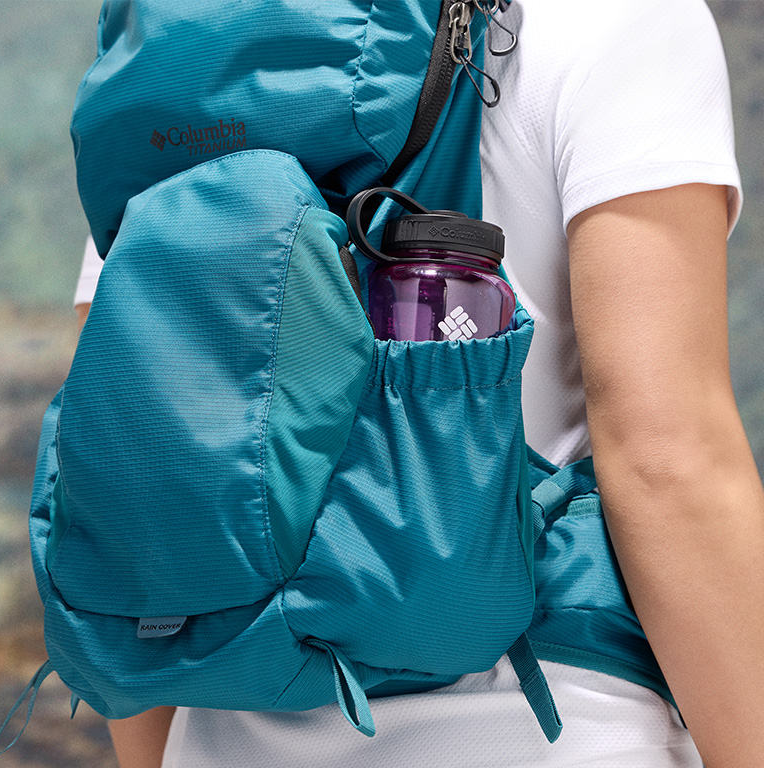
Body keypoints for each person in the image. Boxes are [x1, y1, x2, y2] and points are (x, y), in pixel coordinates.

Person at [72, 0, 764, 765]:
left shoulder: (170, 74)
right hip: (546, 727)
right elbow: (670, 463)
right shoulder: (620, 19)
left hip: (224, 730)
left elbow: (115, 475)